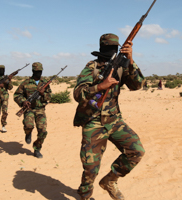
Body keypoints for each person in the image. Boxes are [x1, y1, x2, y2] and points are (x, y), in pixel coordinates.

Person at [73, 33, 145, 200]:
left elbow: (138, 85)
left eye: (114, 48)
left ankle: (110, 181)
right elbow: (78, 94)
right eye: (109, 48)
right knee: (90, 167)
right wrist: (100, 87)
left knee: (136, 151)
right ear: (102, 49)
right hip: (93, 122)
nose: (112, 51)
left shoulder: (122, 66)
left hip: (114, 120)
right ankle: (84, 195)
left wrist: (131, 61)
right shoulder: (92, 67)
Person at [14, 62, 52, 159]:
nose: (38, 73)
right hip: (29, 109)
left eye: (40, 71)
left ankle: (37, 149)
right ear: (32, 71)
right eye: (36, 71)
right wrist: (23, 102)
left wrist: (43, 94)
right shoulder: (25, 83)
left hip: (40, 110)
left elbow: (49, 97)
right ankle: (28, 133)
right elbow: (17, 95)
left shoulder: (45, 83)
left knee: (42, 131)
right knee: (28, 126)